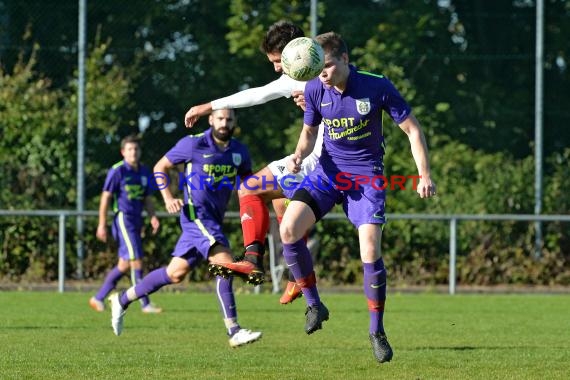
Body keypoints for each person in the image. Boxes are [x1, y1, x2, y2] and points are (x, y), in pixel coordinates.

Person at [280, 32, 436, 363]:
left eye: (330, 65)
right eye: (319, 67)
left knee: (369, 249)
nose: (323, 72)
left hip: (366, 179)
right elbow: (309, 133)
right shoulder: (314, 87)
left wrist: (424, 175)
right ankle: (313, 304)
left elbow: (413, 130)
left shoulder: (376, 86)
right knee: (289, 229)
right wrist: (297, 156)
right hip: (327, 175)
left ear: (346, 60)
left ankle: (376, 331)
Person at [184, 20, 323, 305]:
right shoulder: (317, 69)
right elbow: (254, 94)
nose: (274, 67)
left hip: (322, 159)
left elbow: (255, 96)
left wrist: (205, 107)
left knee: (249, 189)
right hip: (322, 157)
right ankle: (298, 276)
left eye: (275, 61)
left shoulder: (312, 75)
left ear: (291, 54)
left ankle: (252, 259)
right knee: (279, 200)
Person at [109, 108, 262, 348]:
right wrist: (168, 197)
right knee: (225, 263)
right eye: (220, 118)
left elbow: (248, 186)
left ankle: (122, 299)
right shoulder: (193, 144)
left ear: (235, 121)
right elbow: (160, 167)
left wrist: (278, 183)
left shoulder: (239, 151)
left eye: (229, 119)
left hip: (213, 219)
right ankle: (234, 330)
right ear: (210, 120)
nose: (224, 123)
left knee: (174, 273)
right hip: (195, 216)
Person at [89, 134, 162, 314]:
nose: (133, 152)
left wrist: (152, 216)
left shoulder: (144, 171)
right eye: (129, 149)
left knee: (123, 264)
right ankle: (145, 304)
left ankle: (98, 298)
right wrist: (101, 224)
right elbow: (105, 197)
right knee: (136, 261)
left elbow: (147, 198)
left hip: (137, 219)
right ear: (123, 152)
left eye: (136, 149)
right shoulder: (118, 171)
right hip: (123, 219)